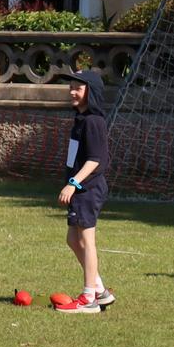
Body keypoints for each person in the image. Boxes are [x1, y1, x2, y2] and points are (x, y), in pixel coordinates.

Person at [54, 69, 113, 314]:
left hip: (87, 188)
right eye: (71, 87)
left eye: (78, 88)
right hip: (81, 189)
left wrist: (73, 183)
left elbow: (95, 160)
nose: (72, 92)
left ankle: (89, 298)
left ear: (91, 92)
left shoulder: (93, 122)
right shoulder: (81, 119)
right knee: (72, 239)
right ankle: (100, 290)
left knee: (87, 241)